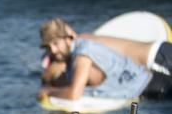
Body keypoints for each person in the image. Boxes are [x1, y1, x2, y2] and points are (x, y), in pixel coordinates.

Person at [38, 18, 172, 101]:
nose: (53, 50)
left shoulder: (82, 56)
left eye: (55, 44)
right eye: (49, 47)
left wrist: (48, 92)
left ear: (68, 38)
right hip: (152, 84)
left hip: (154, 88)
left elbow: (74, 94)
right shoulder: (82, 48)